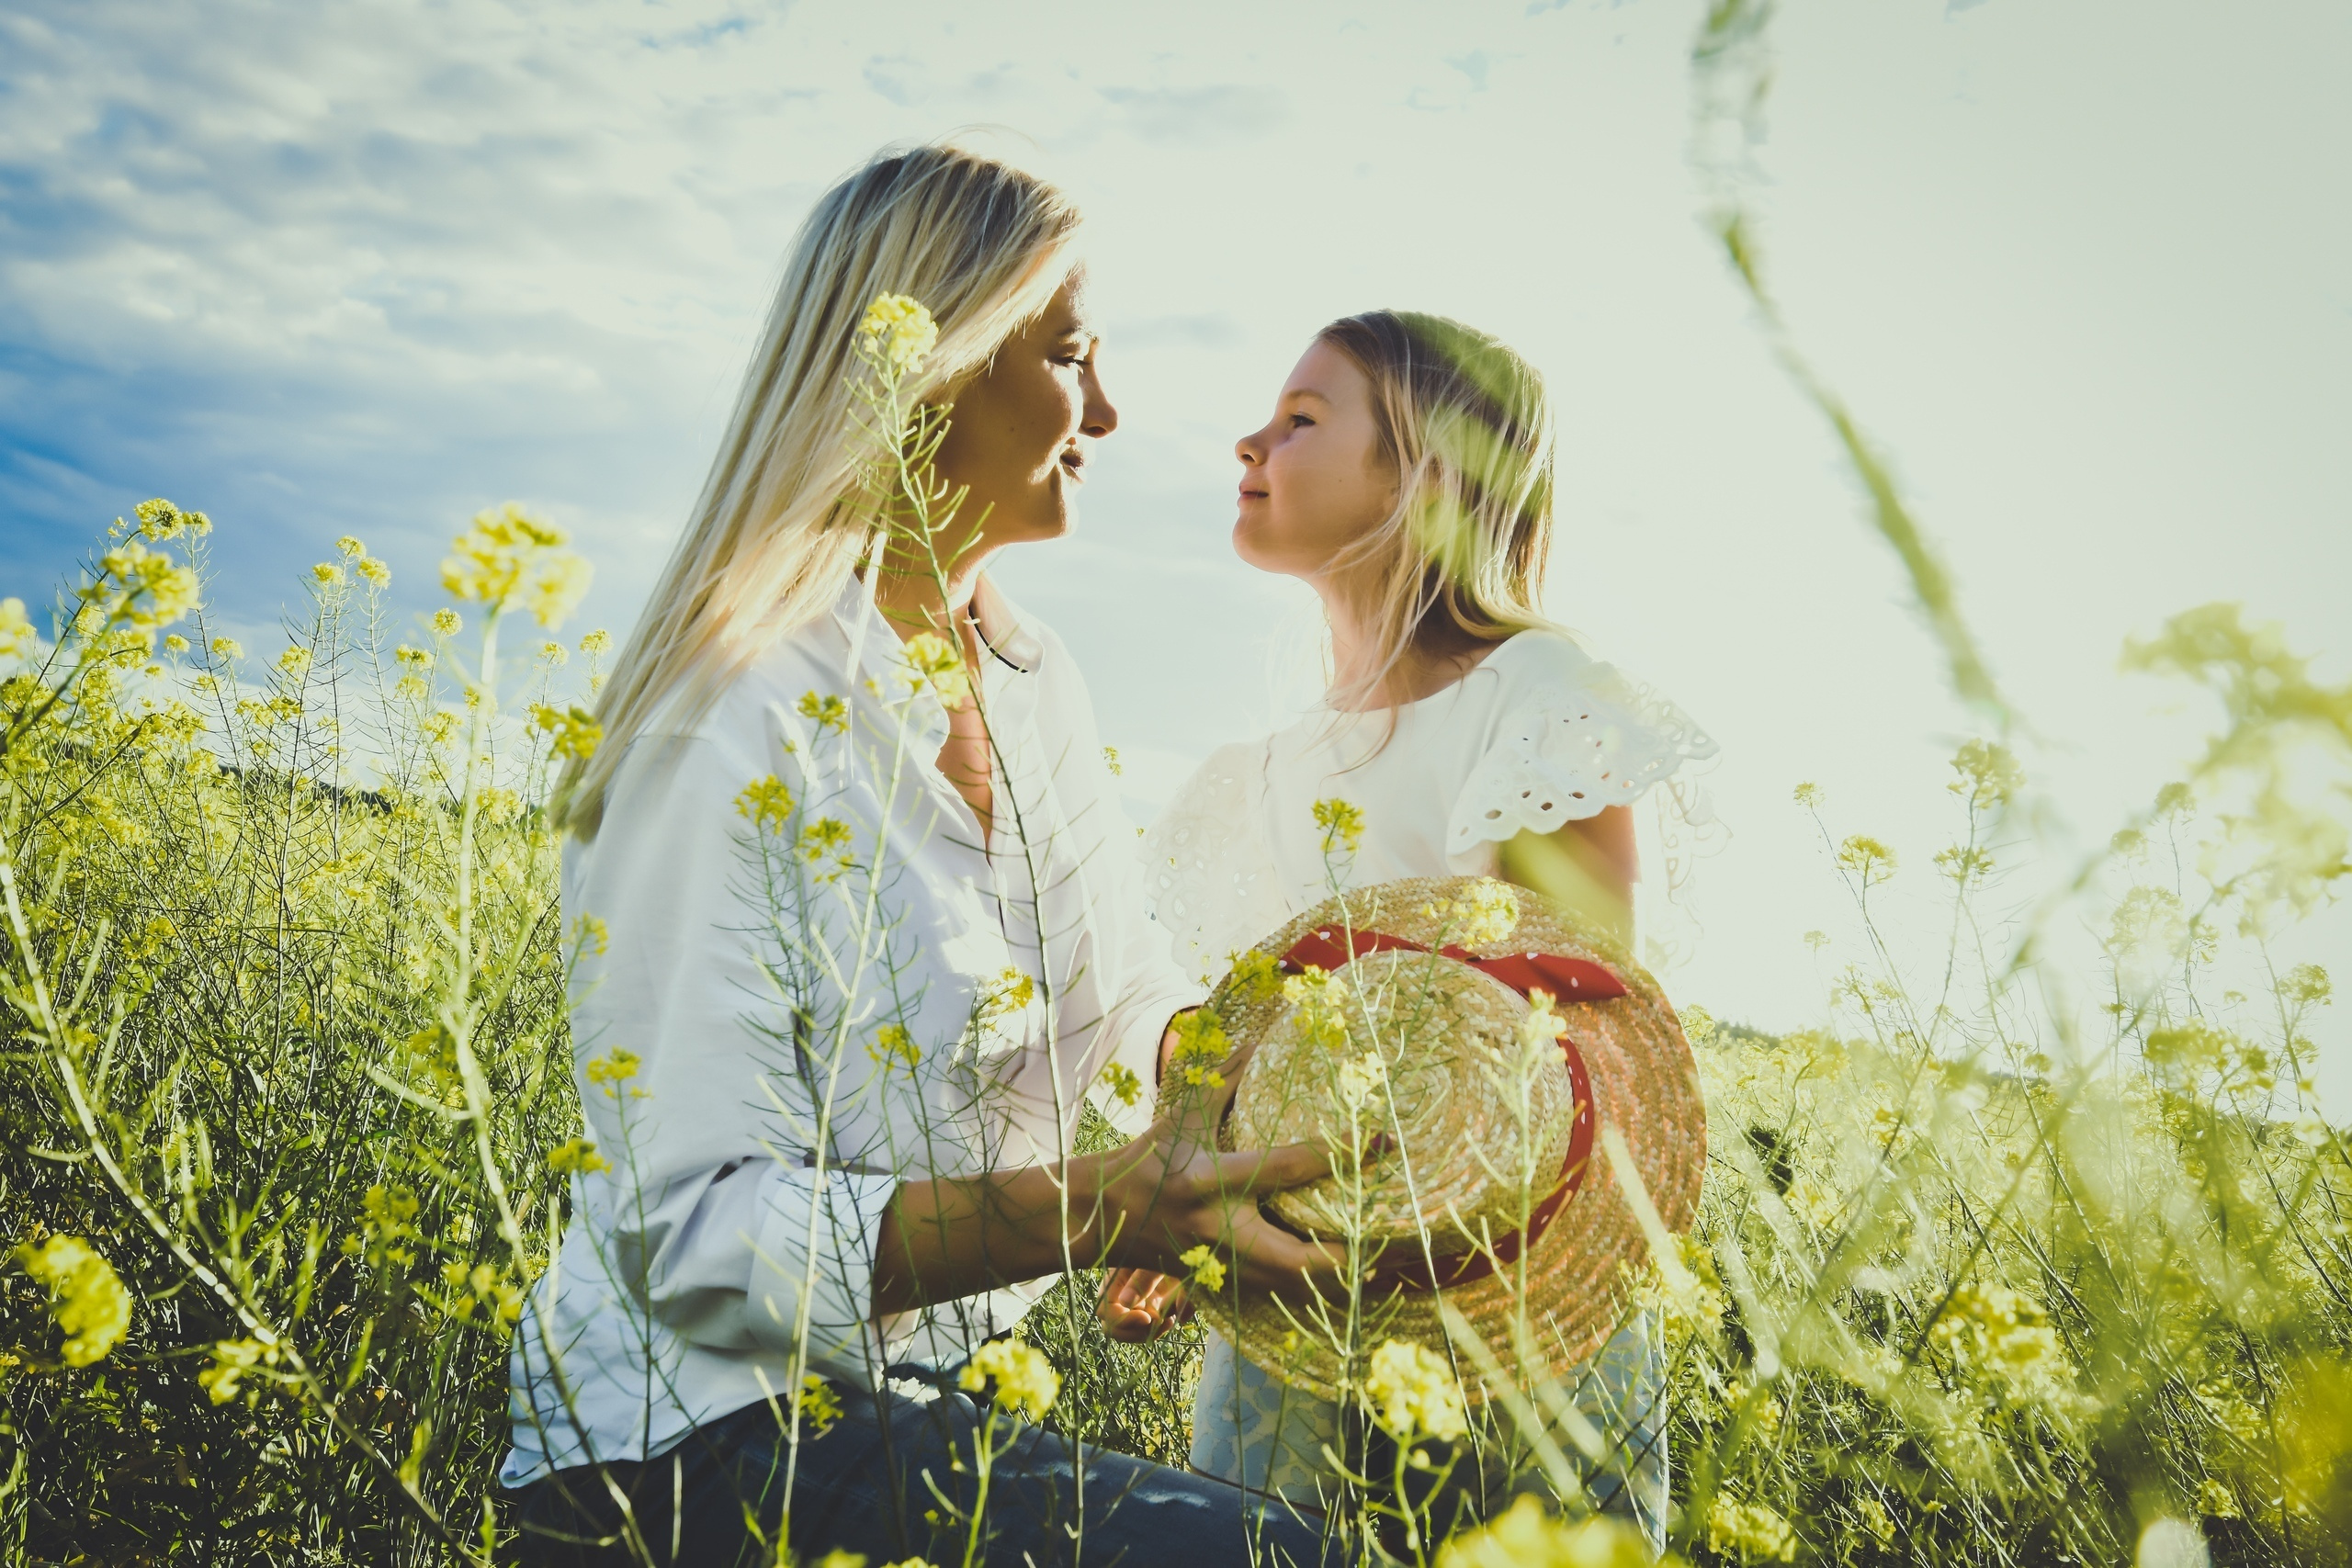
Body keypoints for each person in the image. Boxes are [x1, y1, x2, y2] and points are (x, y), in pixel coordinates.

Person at [503, 142, 1341, 1568]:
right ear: (934, 365)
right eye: (1073, 355)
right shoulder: (725, 710)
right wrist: (1103, 1207)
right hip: (685, 1440)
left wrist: (1220, 1099)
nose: (1112, 411)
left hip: (916, 1402)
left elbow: (1118, 977)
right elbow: (694, 1243)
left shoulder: (1030, 673)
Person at [1102, 310, 1717, 1549]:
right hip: (1309, 1276)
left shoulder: (1536, 700)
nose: (1250, 441)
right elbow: (1256, 1042)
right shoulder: (1260, 775)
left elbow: (1584, 1016)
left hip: (1518, 1273)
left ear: (1425, 478)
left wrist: (1456, 1197)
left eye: (1302, 419)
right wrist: (1191, 1206)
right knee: (1257, 1540)